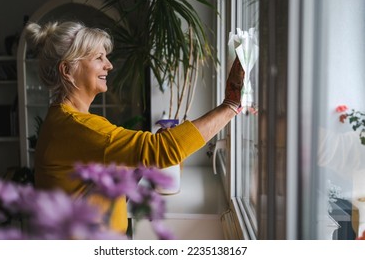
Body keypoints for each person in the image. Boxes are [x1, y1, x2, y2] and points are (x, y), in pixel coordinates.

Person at [24, 21, 244, 234]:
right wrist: (230, 105)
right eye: (99, 58)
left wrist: (139, 161)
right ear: (67, 70)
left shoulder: (64, 120)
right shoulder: (77, 127)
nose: (108, 65)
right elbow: (162, 150)